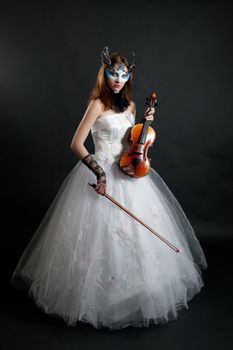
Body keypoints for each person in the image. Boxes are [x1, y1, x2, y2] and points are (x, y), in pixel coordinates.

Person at [11, 46, 207, 330]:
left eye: (123, 75)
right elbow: (76, 144)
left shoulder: (131, 107)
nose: (118, 79)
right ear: (104, 74)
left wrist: (144, 128)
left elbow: (129, 145)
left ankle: (138, 295)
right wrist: (100, 173)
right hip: (101, 170)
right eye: (113, 73)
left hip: (127, 170)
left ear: (129, 77)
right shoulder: (96, 104)